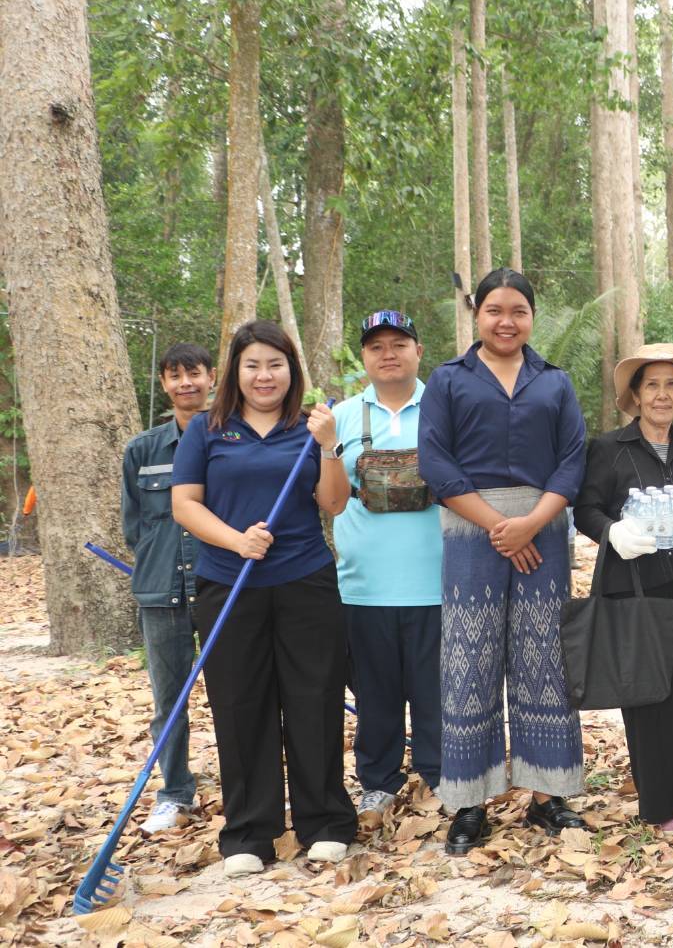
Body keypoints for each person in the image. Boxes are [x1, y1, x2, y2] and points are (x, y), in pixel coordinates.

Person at [170, 321, 356, 875]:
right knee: (240, 703)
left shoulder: (310, 427)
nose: (264, 375)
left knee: (314, 697)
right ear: (235, 372)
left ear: (290, 370)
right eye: (252, 365)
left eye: (274, 364)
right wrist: (237, 541)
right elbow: (185, 505)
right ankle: (250, 832)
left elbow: (335, 503)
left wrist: (329, 447)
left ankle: (324, 822)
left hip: (305, 581)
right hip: (229, 583)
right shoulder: (208, 429)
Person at [417, 268, 587, 855]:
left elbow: (571, 460)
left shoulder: (555, 382)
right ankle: (470, 802)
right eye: (495, 310)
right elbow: (435, 463)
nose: (506, 321)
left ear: (531, 317)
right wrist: (498, 526)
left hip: (544, 528)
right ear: (477, 315)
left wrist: (533, 523)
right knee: (471, 660)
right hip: (472, 532)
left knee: (545, 658)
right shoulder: (447, 380)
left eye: (518, 310)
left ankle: (548, 796)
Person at [574, 343, 673, 833]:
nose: (663, 395)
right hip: (635, 588)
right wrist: (613, 531)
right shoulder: (609, 450)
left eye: (672, 385)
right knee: (646, 693)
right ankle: (658, 807)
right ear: (635, 396)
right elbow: (586, 509)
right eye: (652, 385)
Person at [311, 311, 443, 818]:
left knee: (435, 692)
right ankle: (378, 781)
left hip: (436, 581)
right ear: (364, 357)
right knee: (375, 695)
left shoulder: (445, 407)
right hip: (364, 587)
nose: (388, 353)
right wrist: (327, 448)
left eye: (399, 343)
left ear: (418, 350)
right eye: (375, 346)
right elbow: (333, 502)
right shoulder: (341, 416)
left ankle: (439, 775)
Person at [120, 342, 215, 833]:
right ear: (163, 383)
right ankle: (176, 792)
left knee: (236, 694)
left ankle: (244, 785)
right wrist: (159, 567)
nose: (186, 384)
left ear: (211, 377)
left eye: (194, 374)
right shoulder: (142, 450)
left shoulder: (229, 439)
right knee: (170, 700)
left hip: (219, 588)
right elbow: (135, 526)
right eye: (175, 376)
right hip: (162, 594)